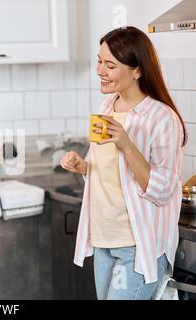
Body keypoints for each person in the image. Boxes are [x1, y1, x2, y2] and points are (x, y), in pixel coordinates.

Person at [60, 26, 187, 300]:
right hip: (104, 239)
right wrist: (83, 166)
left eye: (110, 65)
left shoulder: (161, 118)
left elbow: (163, 189)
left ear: (137, 70)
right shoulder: (108, 106)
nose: (100, 71)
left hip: (137, 245)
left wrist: (127, 145)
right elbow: (107, 172)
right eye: (99, 60)